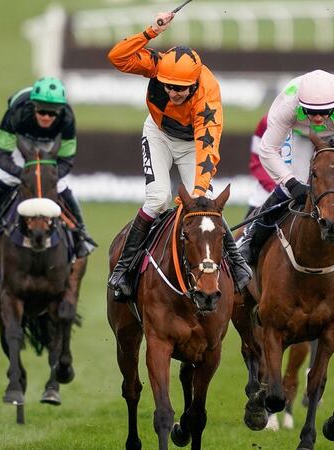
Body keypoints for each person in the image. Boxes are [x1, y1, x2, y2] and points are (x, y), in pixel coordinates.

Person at [105, 11, 252, 300]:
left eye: (182, 88)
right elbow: (117, 57)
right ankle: (123, 269)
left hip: (192, 144)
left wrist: (197, 191)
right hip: (158, 134)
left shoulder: (207, 96)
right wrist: (151, 31)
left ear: (194, 84)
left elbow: (208, 150)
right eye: (169, 86)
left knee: (204, 204)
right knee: (158, 198)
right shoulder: (159, 66)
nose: (174, 92)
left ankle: (237, 264)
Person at [238, 69, 334, 281]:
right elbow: (267, 150)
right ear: (301, 105)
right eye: (311, 111)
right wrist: (290, 182)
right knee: (294, 185)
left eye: (323, 112)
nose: (317, 118)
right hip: (298, 133)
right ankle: (249, 240)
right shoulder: (287, 107)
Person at [0, 76, 97, 260]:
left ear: (60, 111)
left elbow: (67, 159)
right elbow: (1, 153)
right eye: (42, 111)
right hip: (21, 141)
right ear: (33, 106)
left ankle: (81, 235)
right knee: (6, 180)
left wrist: (51, 176)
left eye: (52, 113)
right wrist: (23, 174)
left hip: (50, 146)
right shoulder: (17, 112)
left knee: (62, 185)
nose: (47, 117)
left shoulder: (67, 117)